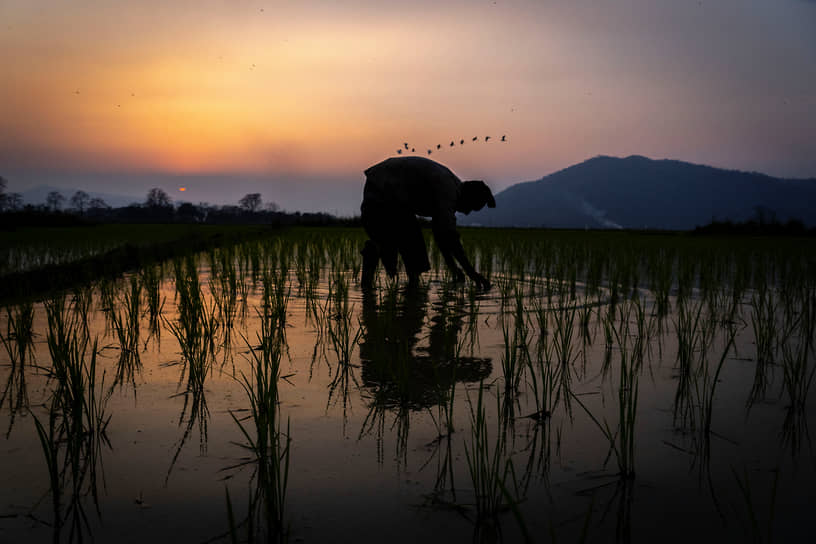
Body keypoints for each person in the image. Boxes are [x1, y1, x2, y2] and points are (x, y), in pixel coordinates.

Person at [360, 156, 495, 290]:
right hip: (383, 190)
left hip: (383, 186)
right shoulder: (448, 192)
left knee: (412, 248)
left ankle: (402, 287)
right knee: (409, 245)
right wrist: (471, 273)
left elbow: (441, 234)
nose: (467, 213)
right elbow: (451, 237)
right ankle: (409, 294)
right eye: (471, 207)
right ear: (468, 197)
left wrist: (453, 268)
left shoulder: (451, 187)